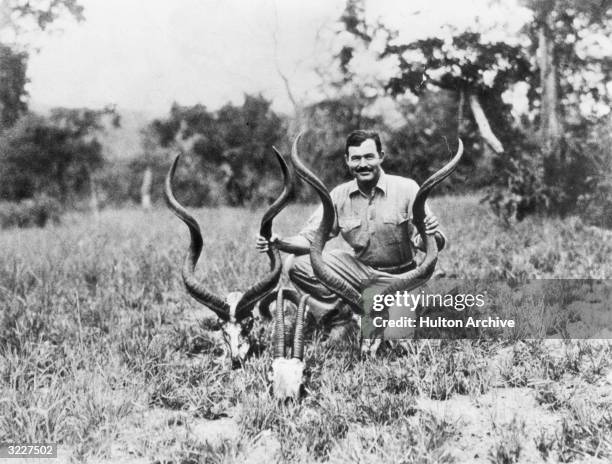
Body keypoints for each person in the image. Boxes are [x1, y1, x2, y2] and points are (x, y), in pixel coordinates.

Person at [256, 129, 446, 323]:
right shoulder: (339, 195)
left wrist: (431, 234)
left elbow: (430, 243)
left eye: (369, 157)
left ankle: (377, 309)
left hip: (402, 278)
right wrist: (278, 242)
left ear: (381, 157)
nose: (362, 164)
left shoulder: (407, 188)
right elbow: (309, 239)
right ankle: (340, 315)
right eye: (356, 158)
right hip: (361, 275)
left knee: (398, 335)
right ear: (347, 160)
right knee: (295, 264)